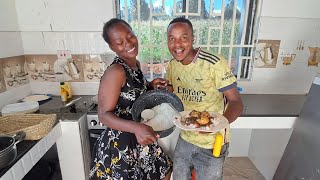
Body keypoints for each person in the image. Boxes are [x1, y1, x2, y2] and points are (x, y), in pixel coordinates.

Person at [89, 18, 172, 180]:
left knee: (163, 171)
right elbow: (103, 115)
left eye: (130, 36)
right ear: (112, 47)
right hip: (121, 142)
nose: (128, 43)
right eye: (119, 42)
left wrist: (150, 86)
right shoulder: (116, 71)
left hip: (138, 135)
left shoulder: (135, 64)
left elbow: (132, 94)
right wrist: (136, 128)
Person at [165, 17, 244, 180]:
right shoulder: (172, 65)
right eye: (172, 39)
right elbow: (172, 93)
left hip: (212, 142)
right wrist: (161, 89)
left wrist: (216, 126)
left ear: (193, 39)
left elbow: (236, 102)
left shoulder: (214, 63)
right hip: (185, 137)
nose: (177, 45)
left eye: (183, 38)